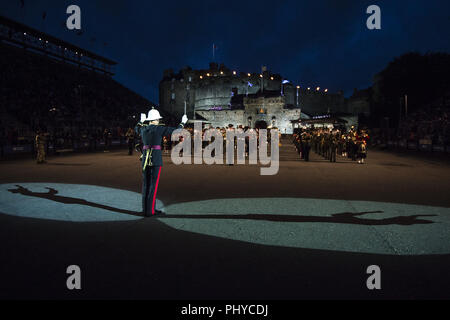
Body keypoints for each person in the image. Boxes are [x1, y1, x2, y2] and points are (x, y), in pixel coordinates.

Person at [135, 108, 188, 217]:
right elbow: (177, 131)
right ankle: (150, 211)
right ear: (156, 120)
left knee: (146, 185)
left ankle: (146, 209)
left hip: (145, 158)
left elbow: (136, 128)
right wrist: (182, 123)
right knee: (153, 186)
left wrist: (141, 121)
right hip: (155, 158)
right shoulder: (159, 129)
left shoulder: (143, 129)